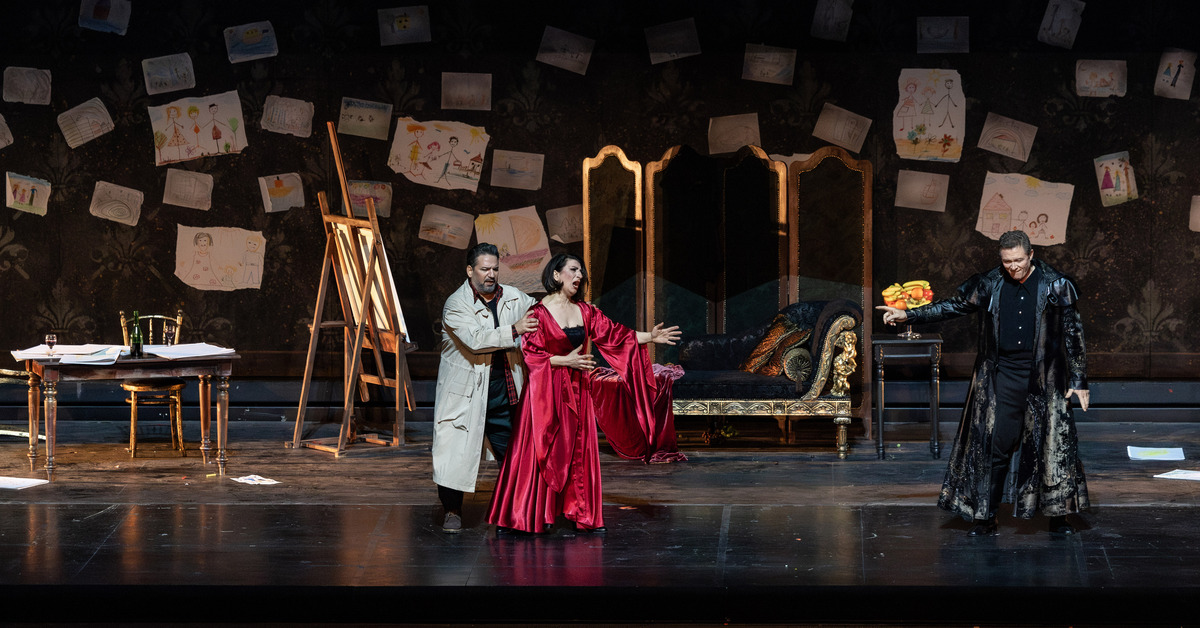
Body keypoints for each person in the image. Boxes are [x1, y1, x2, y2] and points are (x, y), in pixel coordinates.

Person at [876, 230, 1089, 536]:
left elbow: (1073, 332)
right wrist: (907, 315)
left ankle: (1059, 517)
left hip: (1044, 376)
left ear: (1031, 255)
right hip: (1003, 376)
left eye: (1018, 260)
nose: (1013, 267)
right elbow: (951, 306)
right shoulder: (990, 283)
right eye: (1007, 262)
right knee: (996, 446)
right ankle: (986, 516)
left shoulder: (1055, 284)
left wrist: (1079, 379)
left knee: (1051, 446)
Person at [485, 254, 680, 534]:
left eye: (581, 272)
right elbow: (531, 356)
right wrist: (566, 361)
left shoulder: (586, 311)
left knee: (579, 449)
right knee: (540, 449)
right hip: (545, 391)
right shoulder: (537, 313)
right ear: (556, 275)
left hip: (578, 390)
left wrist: (650, 336)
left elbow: (616, 336)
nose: (579, 276)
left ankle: (581, 512)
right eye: (573, 270)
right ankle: (527, 514)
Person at [432, 243, 537, 533]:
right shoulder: (457, 304)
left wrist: (572, 310)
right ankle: (452, 511)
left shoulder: (513, 297)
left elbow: (541, 313)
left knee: (514, 455)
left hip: (504, 392)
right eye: (484, 269)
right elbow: (476, 339)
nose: (491, 274)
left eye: (495, 269)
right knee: (454, 456)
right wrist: (515, 329)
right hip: (466, 395)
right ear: (470, 270)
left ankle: (515, 510)